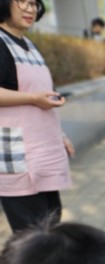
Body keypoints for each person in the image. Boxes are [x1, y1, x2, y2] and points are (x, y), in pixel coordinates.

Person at [0, 0, 74, 232]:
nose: (30, 9)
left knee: (50, 228)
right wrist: (33, 98)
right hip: (18, 158)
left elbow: (44, 94)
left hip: (43, 152)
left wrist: (61, 135)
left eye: (34, 3)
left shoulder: (31, 45)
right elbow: (34, 96)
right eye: (22, 1)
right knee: (32, 238)